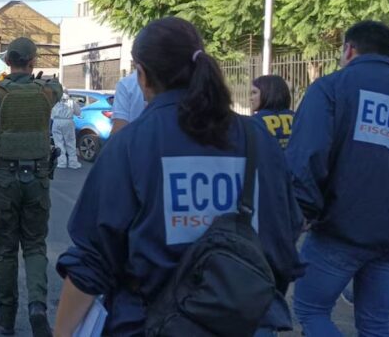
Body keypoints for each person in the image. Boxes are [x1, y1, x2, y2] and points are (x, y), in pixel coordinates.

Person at [53, 17, 303, 336]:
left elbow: (92, 261)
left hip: (151, 324)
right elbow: (285, 234)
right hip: (246, 322)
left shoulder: (130, 145)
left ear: (142, 76)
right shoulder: (257, 141)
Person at [287, 21, 389, 336]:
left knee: (309, 309)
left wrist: (301, 212)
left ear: (348, 49)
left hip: (342, 231)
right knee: (375, 324)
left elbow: (308, 157)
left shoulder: (331, 88)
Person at [0, 37, 63, 337]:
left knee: (5, 250)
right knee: (34, 246)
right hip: (38, 180)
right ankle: (37, 307)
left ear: (7, 62)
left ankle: (6, 319)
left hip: (6, 181)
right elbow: (56, 86)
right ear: (32, 61)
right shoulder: (49, 91)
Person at [251, 75, 295, 149]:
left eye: (254, 93)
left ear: (268, 93)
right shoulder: (297, 118)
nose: (251, 98)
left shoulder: (254, 122)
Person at [51, 93, 82, 169]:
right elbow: (78, 112)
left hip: (56, 121)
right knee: (70, 142)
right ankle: (73, 163)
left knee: (58, 143)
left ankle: (62, 163)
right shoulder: (71, 101)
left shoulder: (53, 101)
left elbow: (50, 112)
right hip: (68, 122)